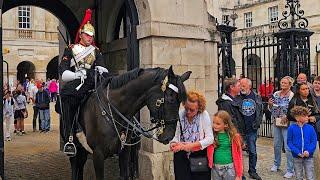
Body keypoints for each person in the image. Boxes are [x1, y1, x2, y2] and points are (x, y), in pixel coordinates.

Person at [59, 9, 109, 154]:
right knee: (67, 96)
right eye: (87, 35)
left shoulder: (96, 51)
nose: (90, 38)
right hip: (77, 82)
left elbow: (103, 68)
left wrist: (99, 71)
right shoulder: (71, 50)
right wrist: (76, 75)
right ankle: (70, 135)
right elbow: (63, 71)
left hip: (93, 81)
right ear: (81, 34)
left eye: (92, 36)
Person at [170, 91, 214, 180]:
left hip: (198, 154)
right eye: (186, 108)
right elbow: (176, 135)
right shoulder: (180, 114)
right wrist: (173, 143)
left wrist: (191, 146)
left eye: (192, 110)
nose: (188, 112)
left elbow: (210, 138)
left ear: (199, 108)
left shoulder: (203, 115)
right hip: (181, 154)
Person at [268, 76, 295, 178]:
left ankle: (290, 169)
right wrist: (270, 105)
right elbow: (271, 108)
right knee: (276, 145)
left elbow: (293, 110)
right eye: (282, 82)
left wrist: (287, 116)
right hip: (276, 122)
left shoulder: (292, 95)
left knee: (288, 147)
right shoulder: (276, 94)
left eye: (285, 83)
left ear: (290, 85)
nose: (283, 84)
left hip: (287, 123)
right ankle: (276, 164)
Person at [238, 78, 263, 180]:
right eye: (240, 85)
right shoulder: (238, 97)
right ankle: (240, 173)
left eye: (243, 86)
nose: (241, 88)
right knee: (238, 152)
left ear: (249, 86)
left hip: (252, 129)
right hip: (240, 130)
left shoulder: (256, 96)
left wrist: (257, 123)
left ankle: (252, 171)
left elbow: (260, 111)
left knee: (252, 152)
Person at [209, 110, 243, 180]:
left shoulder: (234, 137)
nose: (214, 125)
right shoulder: (211, 136)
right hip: (215, 168)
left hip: (229, 168)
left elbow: (239, 156)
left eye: (218, 124)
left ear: (226, 125)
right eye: (213, 123)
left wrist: (239, 174)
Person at [287, 106, 317, 180]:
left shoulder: (310, 128)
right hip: (297, 156)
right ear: (297, 118)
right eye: (304, 116)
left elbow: (313, 142)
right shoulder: (291, 128)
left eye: (307, 115)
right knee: (298, 176)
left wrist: (308, 151)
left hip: (309, 157)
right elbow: (289, 142)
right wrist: (297, 152)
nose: (307, 117)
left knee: (310, 176)